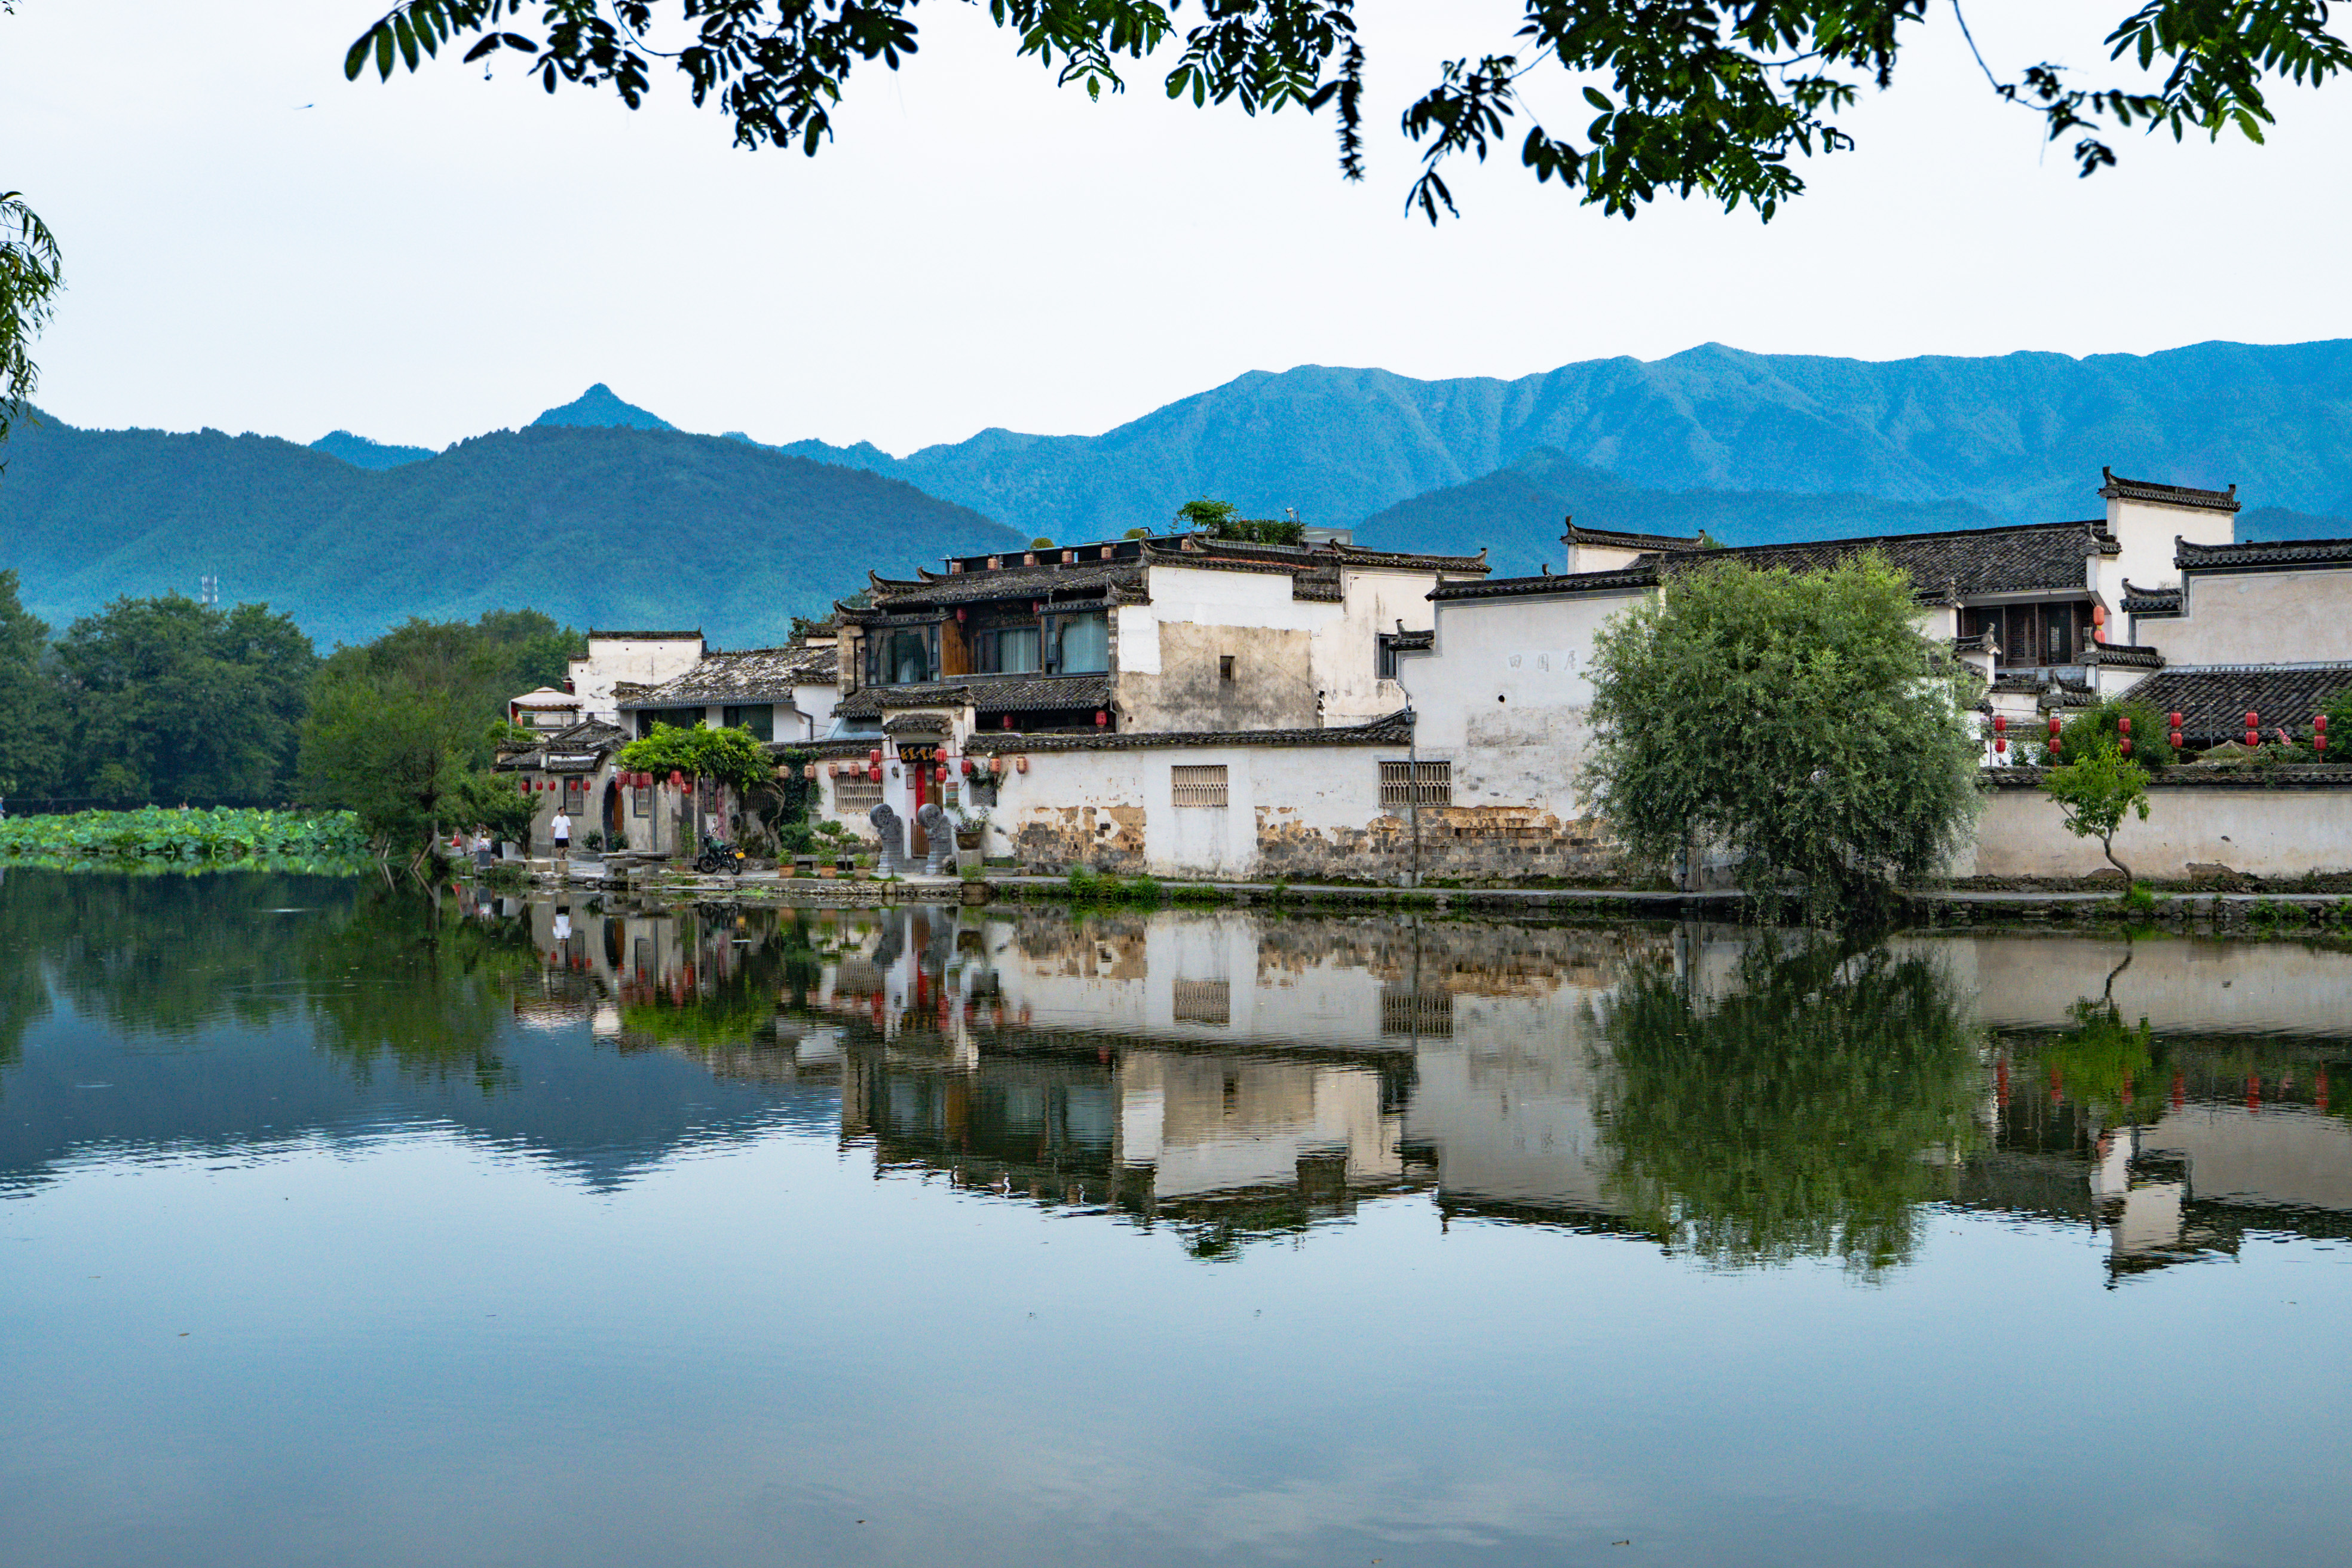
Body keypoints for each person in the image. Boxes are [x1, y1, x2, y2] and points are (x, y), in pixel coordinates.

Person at [551, 805, 571, 872]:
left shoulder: (567, 818)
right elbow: (553, 827)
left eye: (564, 811)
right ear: (559, 812)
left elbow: (569, 826)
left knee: (566, 848)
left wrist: (570, 833)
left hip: (565, 836)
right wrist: (552, 834)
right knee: (559, 849)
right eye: (562, 811)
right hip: (558, 836)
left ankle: (563, 853)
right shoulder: (556, 818)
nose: (563, 812)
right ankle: (560, 860)